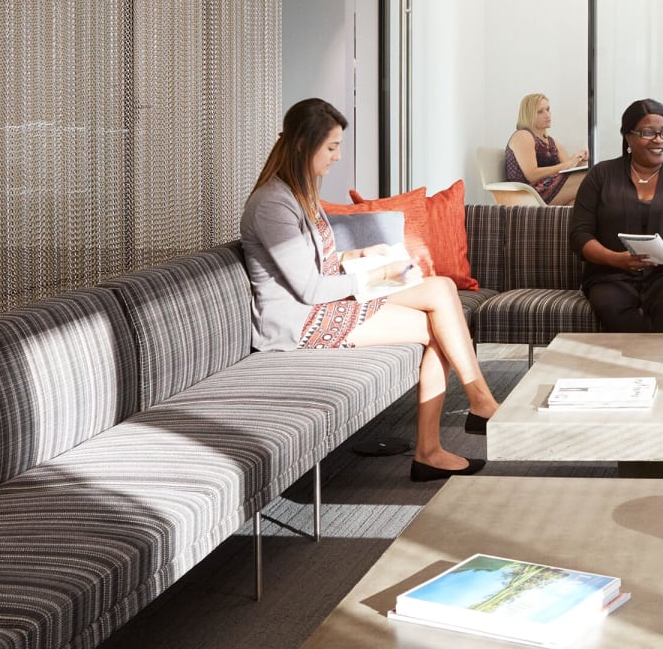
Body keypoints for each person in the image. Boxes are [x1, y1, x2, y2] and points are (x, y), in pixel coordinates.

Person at [241, 98, 500, 483]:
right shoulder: (272, 204)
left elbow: (315, 261)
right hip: (300, 321)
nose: (337, 156)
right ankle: (455, 427)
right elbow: (309, 287)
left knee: (441, 289)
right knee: (438, 328)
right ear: (301, 145)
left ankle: (473, 409)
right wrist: (378, 278)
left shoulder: (299, 193)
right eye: (331, 147)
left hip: (324, 303)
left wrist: (362, 254)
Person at [570, 98, 663, 331]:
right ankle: (628, 366)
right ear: (628, 137)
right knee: (610, 303)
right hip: (612, 275)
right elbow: (580, 235)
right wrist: (616, 259)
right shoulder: (601, 175)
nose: (659, 140)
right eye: (648, 133)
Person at [504, 93, 587, 205]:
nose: (547, 115)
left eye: (548, 109)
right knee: (590, 178)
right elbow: (532, 175)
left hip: (549, 190)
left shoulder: (552, 142)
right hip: (530, 194)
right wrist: (566, 165)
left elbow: (569, 169)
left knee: (583, 202)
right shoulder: (523, 136)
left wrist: (581, 159)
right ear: (529, 115)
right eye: (540, 112)